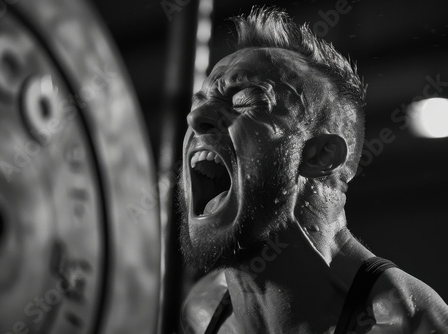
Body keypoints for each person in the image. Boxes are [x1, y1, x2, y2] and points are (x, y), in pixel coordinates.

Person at [178, 7, 448, 334]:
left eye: (245, 100)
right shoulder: (202, 309)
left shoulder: (407, 324)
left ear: (321, 156)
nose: (196, 118)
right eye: (198, 104)